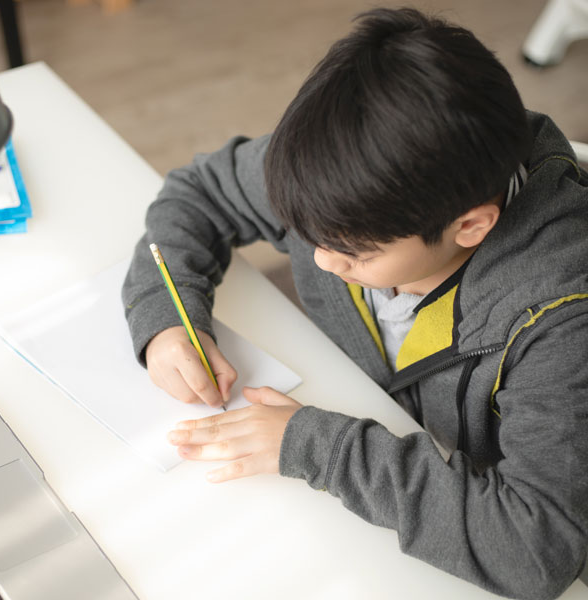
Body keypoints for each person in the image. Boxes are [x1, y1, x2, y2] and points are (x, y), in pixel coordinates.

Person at [121, 7, 588, 599]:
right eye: (304, 230)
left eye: (354, 255)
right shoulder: (338, 180)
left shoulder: (563, 323)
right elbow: (199, 192)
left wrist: (316, 446)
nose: (319, 260)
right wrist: (168, 317)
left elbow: (532, 549)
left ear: (469, 225)